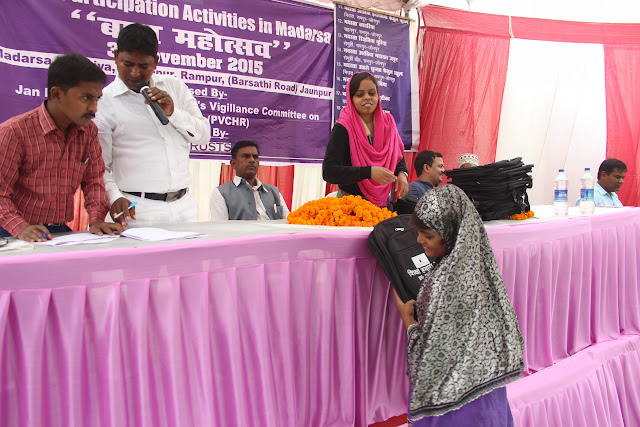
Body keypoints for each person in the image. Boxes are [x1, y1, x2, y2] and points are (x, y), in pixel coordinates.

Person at [394, 184, 524, 425]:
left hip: (456, 411)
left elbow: (429, 360)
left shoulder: (446, 283)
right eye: (419, 232)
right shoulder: (480, 266)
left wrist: (408, 321)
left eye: (428, 235)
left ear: (452, 233)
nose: (419, 240)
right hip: (487, 398)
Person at [95, 23, 210, 227]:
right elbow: (99, 166)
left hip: (185, 206)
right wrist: (114, 197)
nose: (134, 73)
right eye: (127, 64)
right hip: (138, 210)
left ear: (156, 61)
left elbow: (203, 136)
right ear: (115, 56)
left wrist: (173, 113)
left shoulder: (174, 87)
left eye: (143, 66)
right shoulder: (104, 102)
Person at [0, 53, 122, 242]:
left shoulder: (88, 131)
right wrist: (20, 228)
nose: (94, 108)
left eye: (96, 99)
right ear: (56, 94)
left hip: (59, 233)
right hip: (12, 233)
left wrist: (97, 219)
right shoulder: (14, 132)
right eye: (86, 98)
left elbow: (93, 181)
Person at [323, 72, 408, 207]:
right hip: (350, 206)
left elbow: (397, 155)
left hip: (383, 204)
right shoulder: (343, 127)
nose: (367, 97)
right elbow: (329, 172)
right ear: (351, 98)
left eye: (372, 93)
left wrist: (402, 173)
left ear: (378, 96)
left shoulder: (388, 123)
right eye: (360, 94)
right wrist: (369, 172)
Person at [210, 141, 290, 221]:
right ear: (233, 163)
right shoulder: (221, 193)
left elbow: (288, 221)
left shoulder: (274, 192)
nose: (252, 160)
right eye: (246, 156)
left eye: (255, 157)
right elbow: (221, 226)